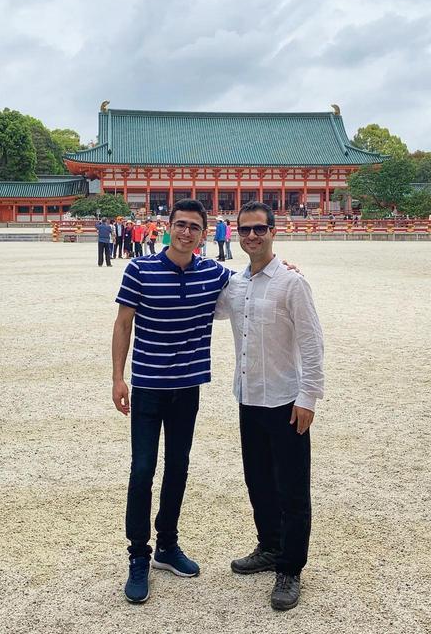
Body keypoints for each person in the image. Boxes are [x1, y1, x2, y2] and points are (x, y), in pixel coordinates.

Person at [112, 199, 232, 604]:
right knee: (142, 469)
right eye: (180, 225)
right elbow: (123, 322)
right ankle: (138, 554)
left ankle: (167, 545)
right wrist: (117, 377)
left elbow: (253, 280)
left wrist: (287, 267)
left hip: (187, 387)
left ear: (204, 233)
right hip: (147, 384)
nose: (186, 232)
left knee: (178, 467)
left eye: (194, 227)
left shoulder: (214, 274)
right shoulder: (140, 270)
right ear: (168, 227)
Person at [214, 201, 324, 612]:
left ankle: (291, 567)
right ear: (236, 235)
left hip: (285, 399)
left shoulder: (292, 283)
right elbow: (208, 307)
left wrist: (309, 396)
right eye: (245, 230)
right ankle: (270, 545)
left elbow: (312, 342)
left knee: (292, 487)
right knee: (257, 479)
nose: (252, 236)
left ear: (274, 232)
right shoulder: (235, 284)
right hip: (248, 397)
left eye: (260, 229)